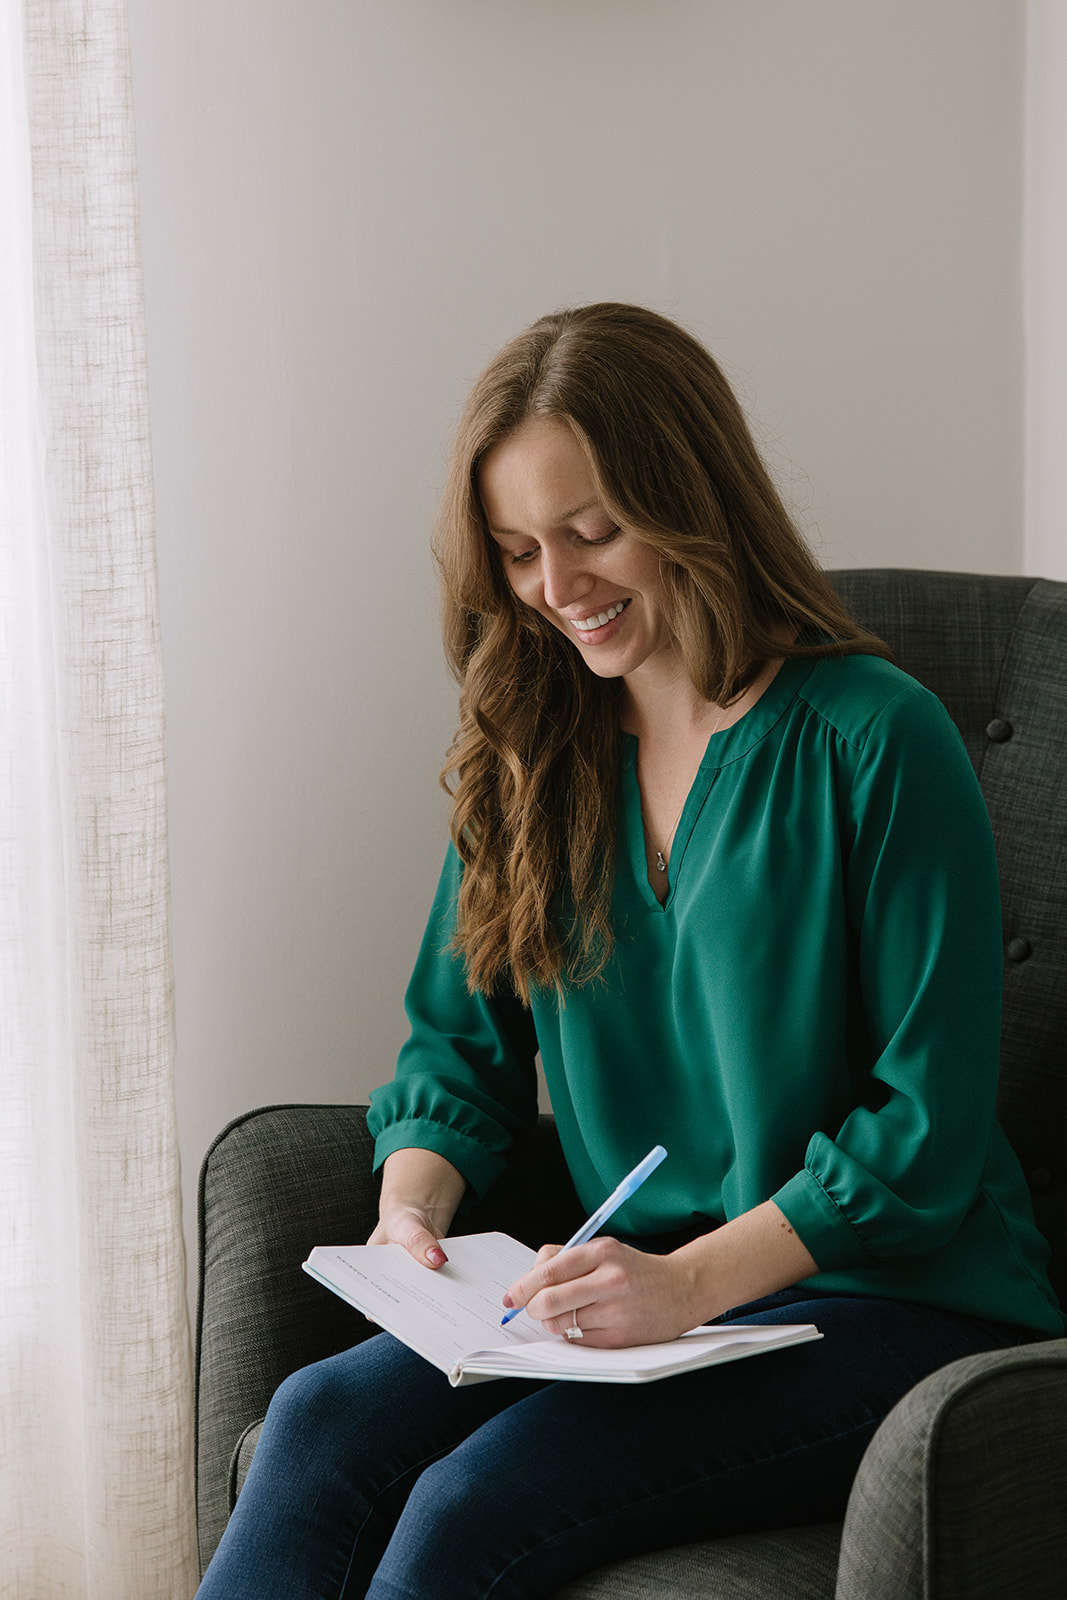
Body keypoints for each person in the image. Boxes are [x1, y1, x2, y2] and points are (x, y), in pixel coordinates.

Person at [196, 303, 1063, 1600]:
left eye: (593, 533)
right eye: (520, 550)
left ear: (691, 497)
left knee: (471, 1505)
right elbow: (458, 1050)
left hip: (891, 1305)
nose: (559, 587)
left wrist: (689, 1285)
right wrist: (409, 1212)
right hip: (623, 1308)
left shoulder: (875, 739)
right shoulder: (533, 750)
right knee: (322, 1428)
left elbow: (924, 1135)